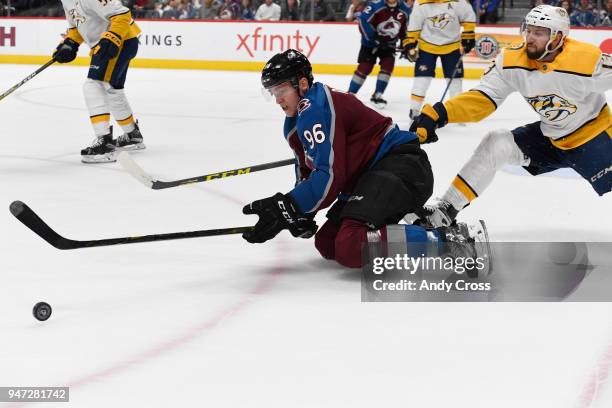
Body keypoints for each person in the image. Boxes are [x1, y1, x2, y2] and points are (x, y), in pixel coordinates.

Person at [241, 49, 490, 270]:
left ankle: (450, 238)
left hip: (401, 166)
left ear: (302, 84)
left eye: (282, 90)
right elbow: (308, 171)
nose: (278, 99)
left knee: (352, 246)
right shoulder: (295, 124)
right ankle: (418, 222)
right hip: (372, 177)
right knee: (328, 243)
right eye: (273, 92)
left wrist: (290, 205)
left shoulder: (315, 107)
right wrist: (301, 213)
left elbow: (329, 177)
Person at [409, 5, 611, 228]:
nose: (530, 38)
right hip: (551, 138)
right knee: (497, 142)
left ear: (558, 37)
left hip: (596, 138)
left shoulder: (586, 59)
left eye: (539, 33)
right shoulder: (511, 61)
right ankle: (446, 209)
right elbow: (483, 98)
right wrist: (440, 114)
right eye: (529, 30)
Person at [54, 0, 145, 163]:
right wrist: (69, 43)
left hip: (121, 40)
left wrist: (113, 37)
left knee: (93, 86)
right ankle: (132, 135)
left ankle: (104, 144)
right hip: (114, 42)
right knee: (112, 89)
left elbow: (122, 14)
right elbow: (77, 26)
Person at [402, 0, 476, 119]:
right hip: (427, 46)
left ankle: (457, 110)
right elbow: (415, 23)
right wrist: (410, 43)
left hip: (452, 46)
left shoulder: (458, 1)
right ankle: (414, 110)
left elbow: (468, 15)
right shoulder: (421, 3)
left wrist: (469, 34)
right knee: (422, 79)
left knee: (455, 82)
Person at [347, 0, 411, 109]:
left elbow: (406, 29)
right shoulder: (375, 5)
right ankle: (349, 95)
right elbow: (363, 21)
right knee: (364, 68)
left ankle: (377, 95)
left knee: (387, 67)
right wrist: (375, 38)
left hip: (389, 45)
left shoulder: (405, 9)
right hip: (369, 44)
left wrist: (405, 44)